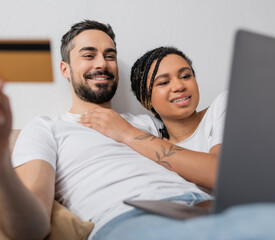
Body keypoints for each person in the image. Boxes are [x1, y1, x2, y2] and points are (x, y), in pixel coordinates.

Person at [0, 20, 275, 240]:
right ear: (66, 70)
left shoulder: (151, 122)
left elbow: (207, 151)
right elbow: (32, 225)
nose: (102, 62)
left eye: (110, 54)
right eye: (89, 54)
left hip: (208, 207)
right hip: (132, 219)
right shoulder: (46, 129)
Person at [79, 46, 225, 190]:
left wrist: (127, 133)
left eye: (185, 76)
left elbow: (221, 174)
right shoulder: (150, 148)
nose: (179, 86)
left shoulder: (223, 105)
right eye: (163, 82)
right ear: (147, 100)